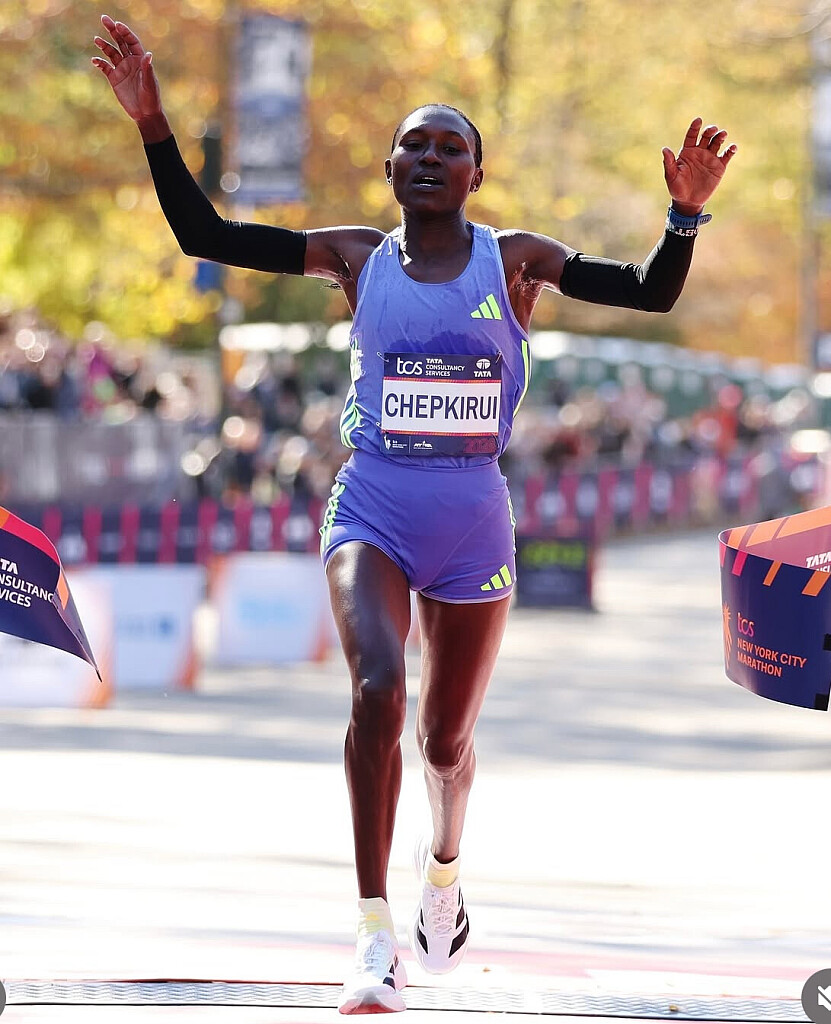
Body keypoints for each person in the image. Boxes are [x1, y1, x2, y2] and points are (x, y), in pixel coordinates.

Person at [92, 14, 736, 1014]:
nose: (431, 157)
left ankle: (443, 872)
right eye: (414, 145)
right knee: (377, 689)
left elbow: (648, 293)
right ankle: (371, 935)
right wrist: (154, 127)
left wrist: (683, 216)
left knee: (442, 744)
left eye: (451, 147)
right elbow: (207, 236)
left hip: (473, 517)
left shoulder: (514, 261)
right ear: (389, 169)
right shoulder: (356, 258)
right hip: (375, 503)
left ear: (476, 174)